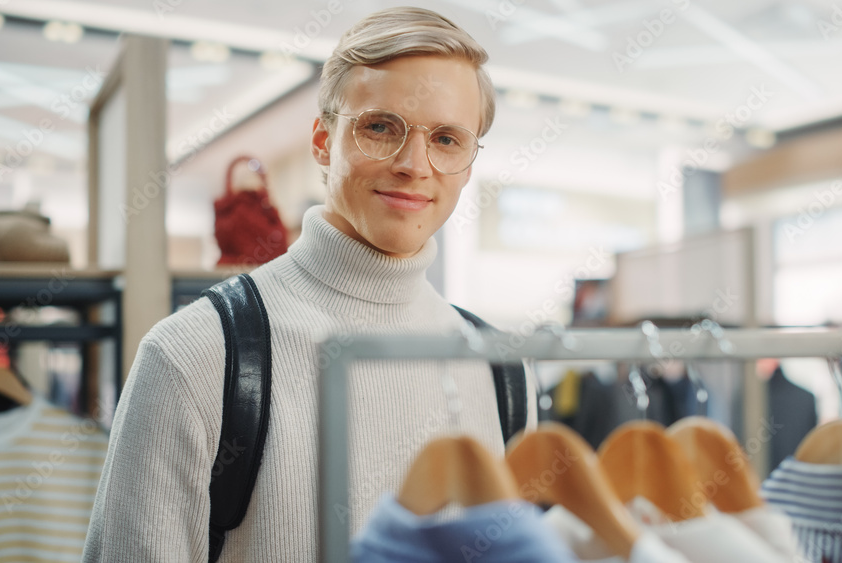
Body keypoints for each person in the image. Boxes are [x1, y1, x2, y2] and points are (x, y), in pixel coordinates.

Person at [82, 7, 536, 562]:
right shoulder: (195, 355)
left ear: (469, 164)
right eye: (380, 127)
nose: (414, 164)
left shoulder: (502, 369)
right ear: (323, 141)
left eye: (446, 139)